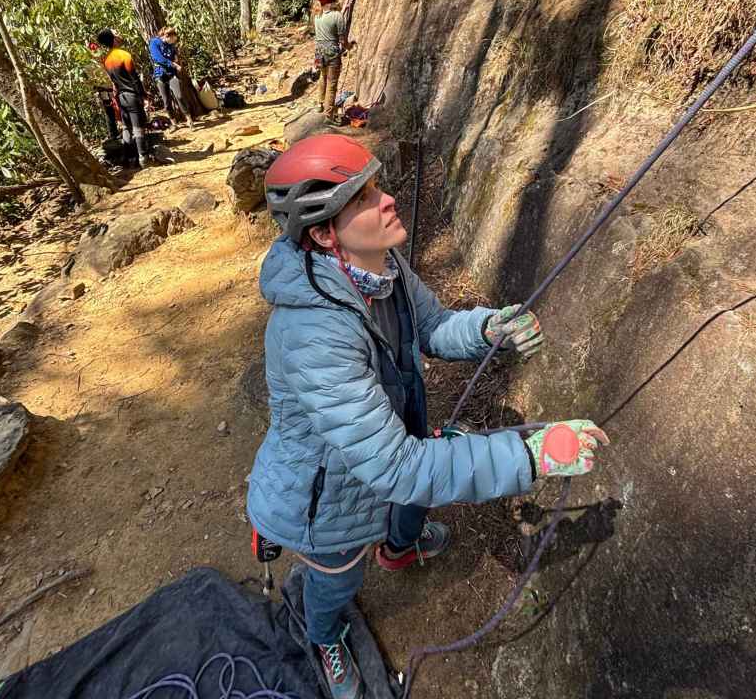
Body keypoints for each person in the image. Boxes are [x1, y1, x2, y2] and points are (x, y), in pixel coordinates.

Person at [246, 134, 609, 699]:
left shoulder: (379, 266)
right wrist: (530, 454)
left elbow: (434, 326)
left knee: (414, 492)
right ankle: (325, 638)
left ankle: (400, 548)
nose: (386, 199)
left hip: (389, 445)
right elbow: (396, 466)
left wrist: (489, 329)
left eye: (376, 187)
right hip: (323, 497)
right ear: (323, 234)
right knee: (336, 579)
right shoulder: (313, 335)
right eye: (363, 199)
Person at [97, 28, 163, 169]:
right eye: (116, 34)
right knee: (138, 127)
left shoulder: (106, 60)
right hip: (132, 96)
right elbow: (134, 78)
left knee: (126, 128)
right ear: (113, 39)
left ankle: (128, 158)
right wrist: (143, 95)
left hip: (121, 97)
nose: (119, 35)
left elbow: (114, 81)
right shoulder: (124, 55)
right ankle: (143, 158)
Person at [313, 0, 355, 124]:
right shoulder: (337, 16)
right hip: (331, 53)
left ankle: (320, 104)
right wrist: (350, 47)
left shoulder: (317, 16)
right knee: (332, 84)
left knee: (323, 78)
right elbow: (342, 40)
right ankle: (328, 115)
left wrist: (344, 9)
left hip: (319, 53)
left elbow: (330, 21)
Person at [148, 26, 195, 132]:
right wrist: (173, 64)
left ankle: (189, 119)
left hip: (172, 74)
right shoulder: (154, 42)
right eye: (173, 39)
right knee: (166, 101)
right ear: (167, 36)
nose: (173, 42)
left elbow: (174, 56)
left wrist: (176, 60)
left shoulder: (171, 46)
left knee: (179, 96)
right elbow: (158, 58)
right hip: (160, 75)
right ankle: (173, 123)